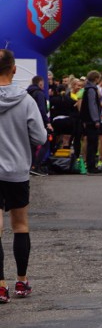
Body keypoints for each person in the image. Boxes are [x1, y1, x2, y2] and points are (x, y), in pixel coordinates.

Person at [0, 49, 48, 303]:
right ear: (14, 69)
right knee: (20, 226)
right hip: (17, 170)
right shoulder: (26, 100)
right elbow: (40, 137)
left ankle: (0, 285)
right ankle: (21, 281)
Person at [80, 70, 102, 173]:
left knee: (91, 143)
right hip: (91, 121)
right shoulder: (92, 89)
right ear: (96, 79)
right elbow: (92, 105)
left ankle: (91, 164)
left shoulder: (87, 89)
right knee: (93, 143)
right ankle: (91, 166)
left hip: (87, 120)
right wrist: (96, 119)